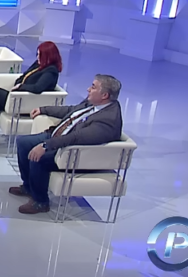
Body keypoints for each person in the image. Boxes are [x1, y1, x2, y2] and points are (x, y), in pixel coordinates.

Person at [10, 74, 123, 214]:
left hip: (74, 153)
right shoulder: (94, 102)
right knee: (23, 142)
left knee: (39, 158)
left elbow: (76, 137)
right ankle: (28, 187)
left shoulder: (107, 120)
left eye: (93, 87)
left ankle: (40, 202)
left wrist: (46, 145)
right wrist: (44, 109)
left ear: (105, 95)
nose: (88, 89)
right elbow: (71, 111)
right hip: (58, 137)